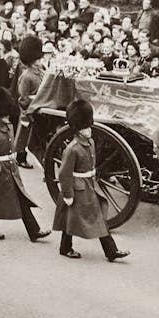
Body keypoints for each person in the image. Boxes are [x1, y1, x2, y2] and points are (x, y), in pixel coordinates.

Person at [54, 99, 130, 261]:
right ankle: (66, 247)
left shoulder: (91, 142)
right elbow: (64, 174)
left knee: (96, 217)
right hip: (77, 189)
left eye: (89, 126)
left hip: (88, 186)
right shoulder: (72, 149)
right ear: (78, 129)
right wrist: (67, 194)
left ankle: (111, 251)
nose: (89, 130)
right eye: (85, 128)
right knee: (72, 219)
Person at [0, 86, 51, 242]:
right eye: (3, 114)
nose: (7, 116)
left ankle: (34, 230)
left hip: (10, 170)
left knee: (21, 199)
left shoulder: (8, 127)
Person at [13, 35, 44, 169]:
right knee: (23, 137)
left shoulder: (40, 71)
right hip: (28, 111)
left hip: (37, 108)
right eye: (36, 59)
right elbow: (23, 98)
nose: (39, 61)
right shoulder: (26, 76)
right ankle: (20, 159)